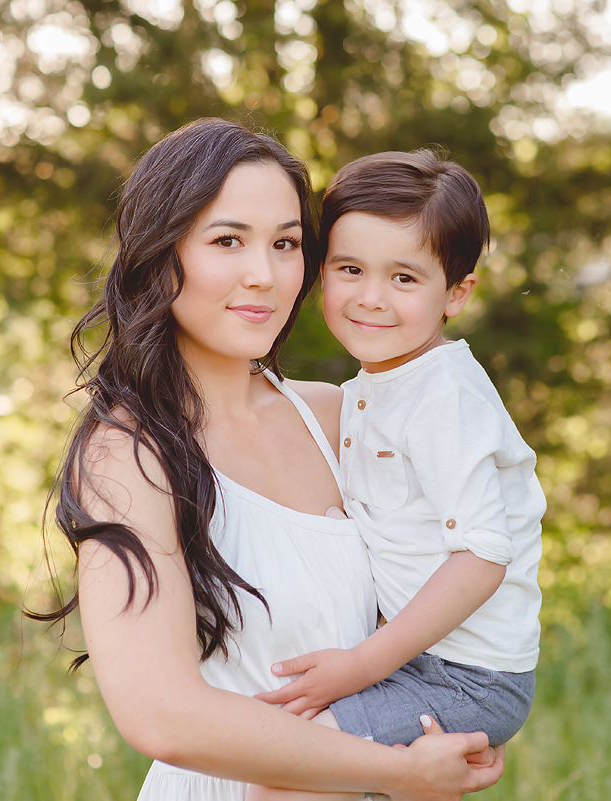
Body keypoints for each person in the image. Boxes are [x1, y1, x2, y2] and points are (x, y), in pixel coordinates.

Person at [31, 119, 505, 801]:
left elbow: (474, 570)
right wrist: (400, 772)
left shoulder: (340, 416)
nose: (265, 274)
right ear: (162, 254)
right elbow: (162, 714)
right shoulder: (130, 455)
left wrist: (459, 729)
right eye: (228, 240)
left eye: (285, 243)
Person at [247, 151, 545, 801]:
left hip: (465, 676)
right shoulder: (376, 387)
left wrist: (359, 665)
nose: (371, 298)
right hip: (419, 658)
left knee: (288, 780)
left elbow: (484, 555)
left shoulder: (444, 396)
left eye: (405, 277)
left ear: (456, 293)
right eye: (350, 269)